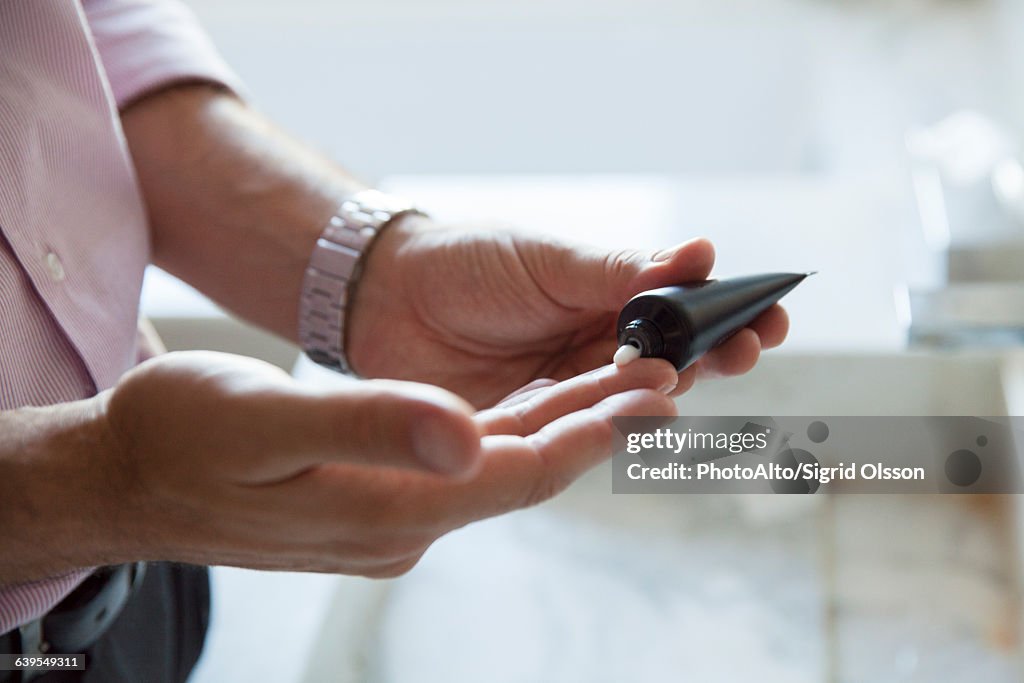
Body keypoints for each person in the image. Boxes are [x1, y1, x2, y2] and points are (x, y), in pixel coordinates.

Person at [0, 1, 789, 680]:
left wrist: (379, 273)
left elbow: (77, 34)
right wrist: (87, 480)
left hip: (143, 596)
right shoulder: (125, 476)